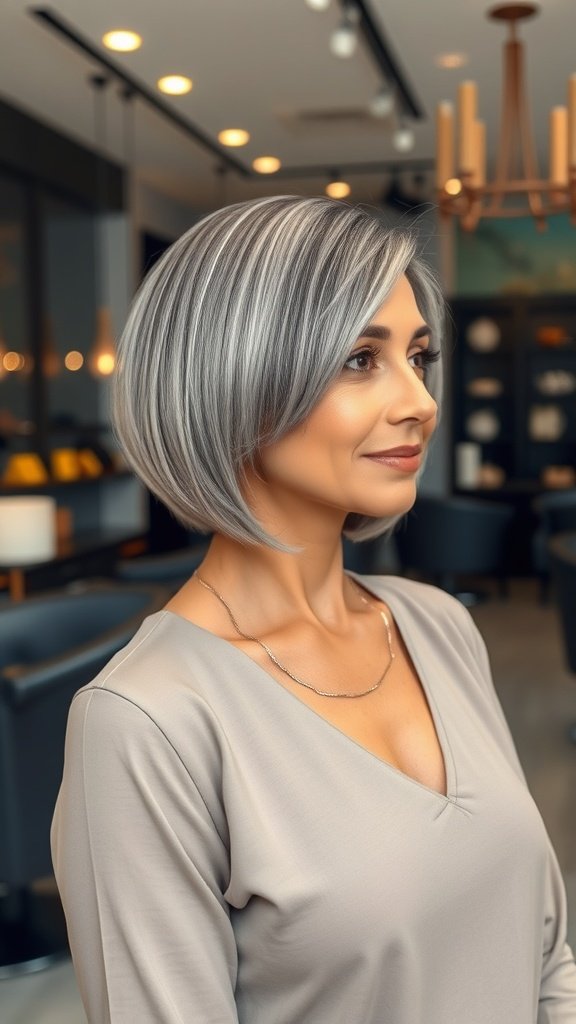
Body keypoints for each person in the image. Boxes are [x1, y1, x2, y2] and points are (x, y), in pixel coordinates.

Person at [51, 195, 576, 1023]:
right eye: (361, 360)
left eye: (419, 355)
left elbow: (547, 952)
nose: (421, 401)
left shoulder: (435, 624)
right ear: (233, 381)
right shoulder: (146, 721)